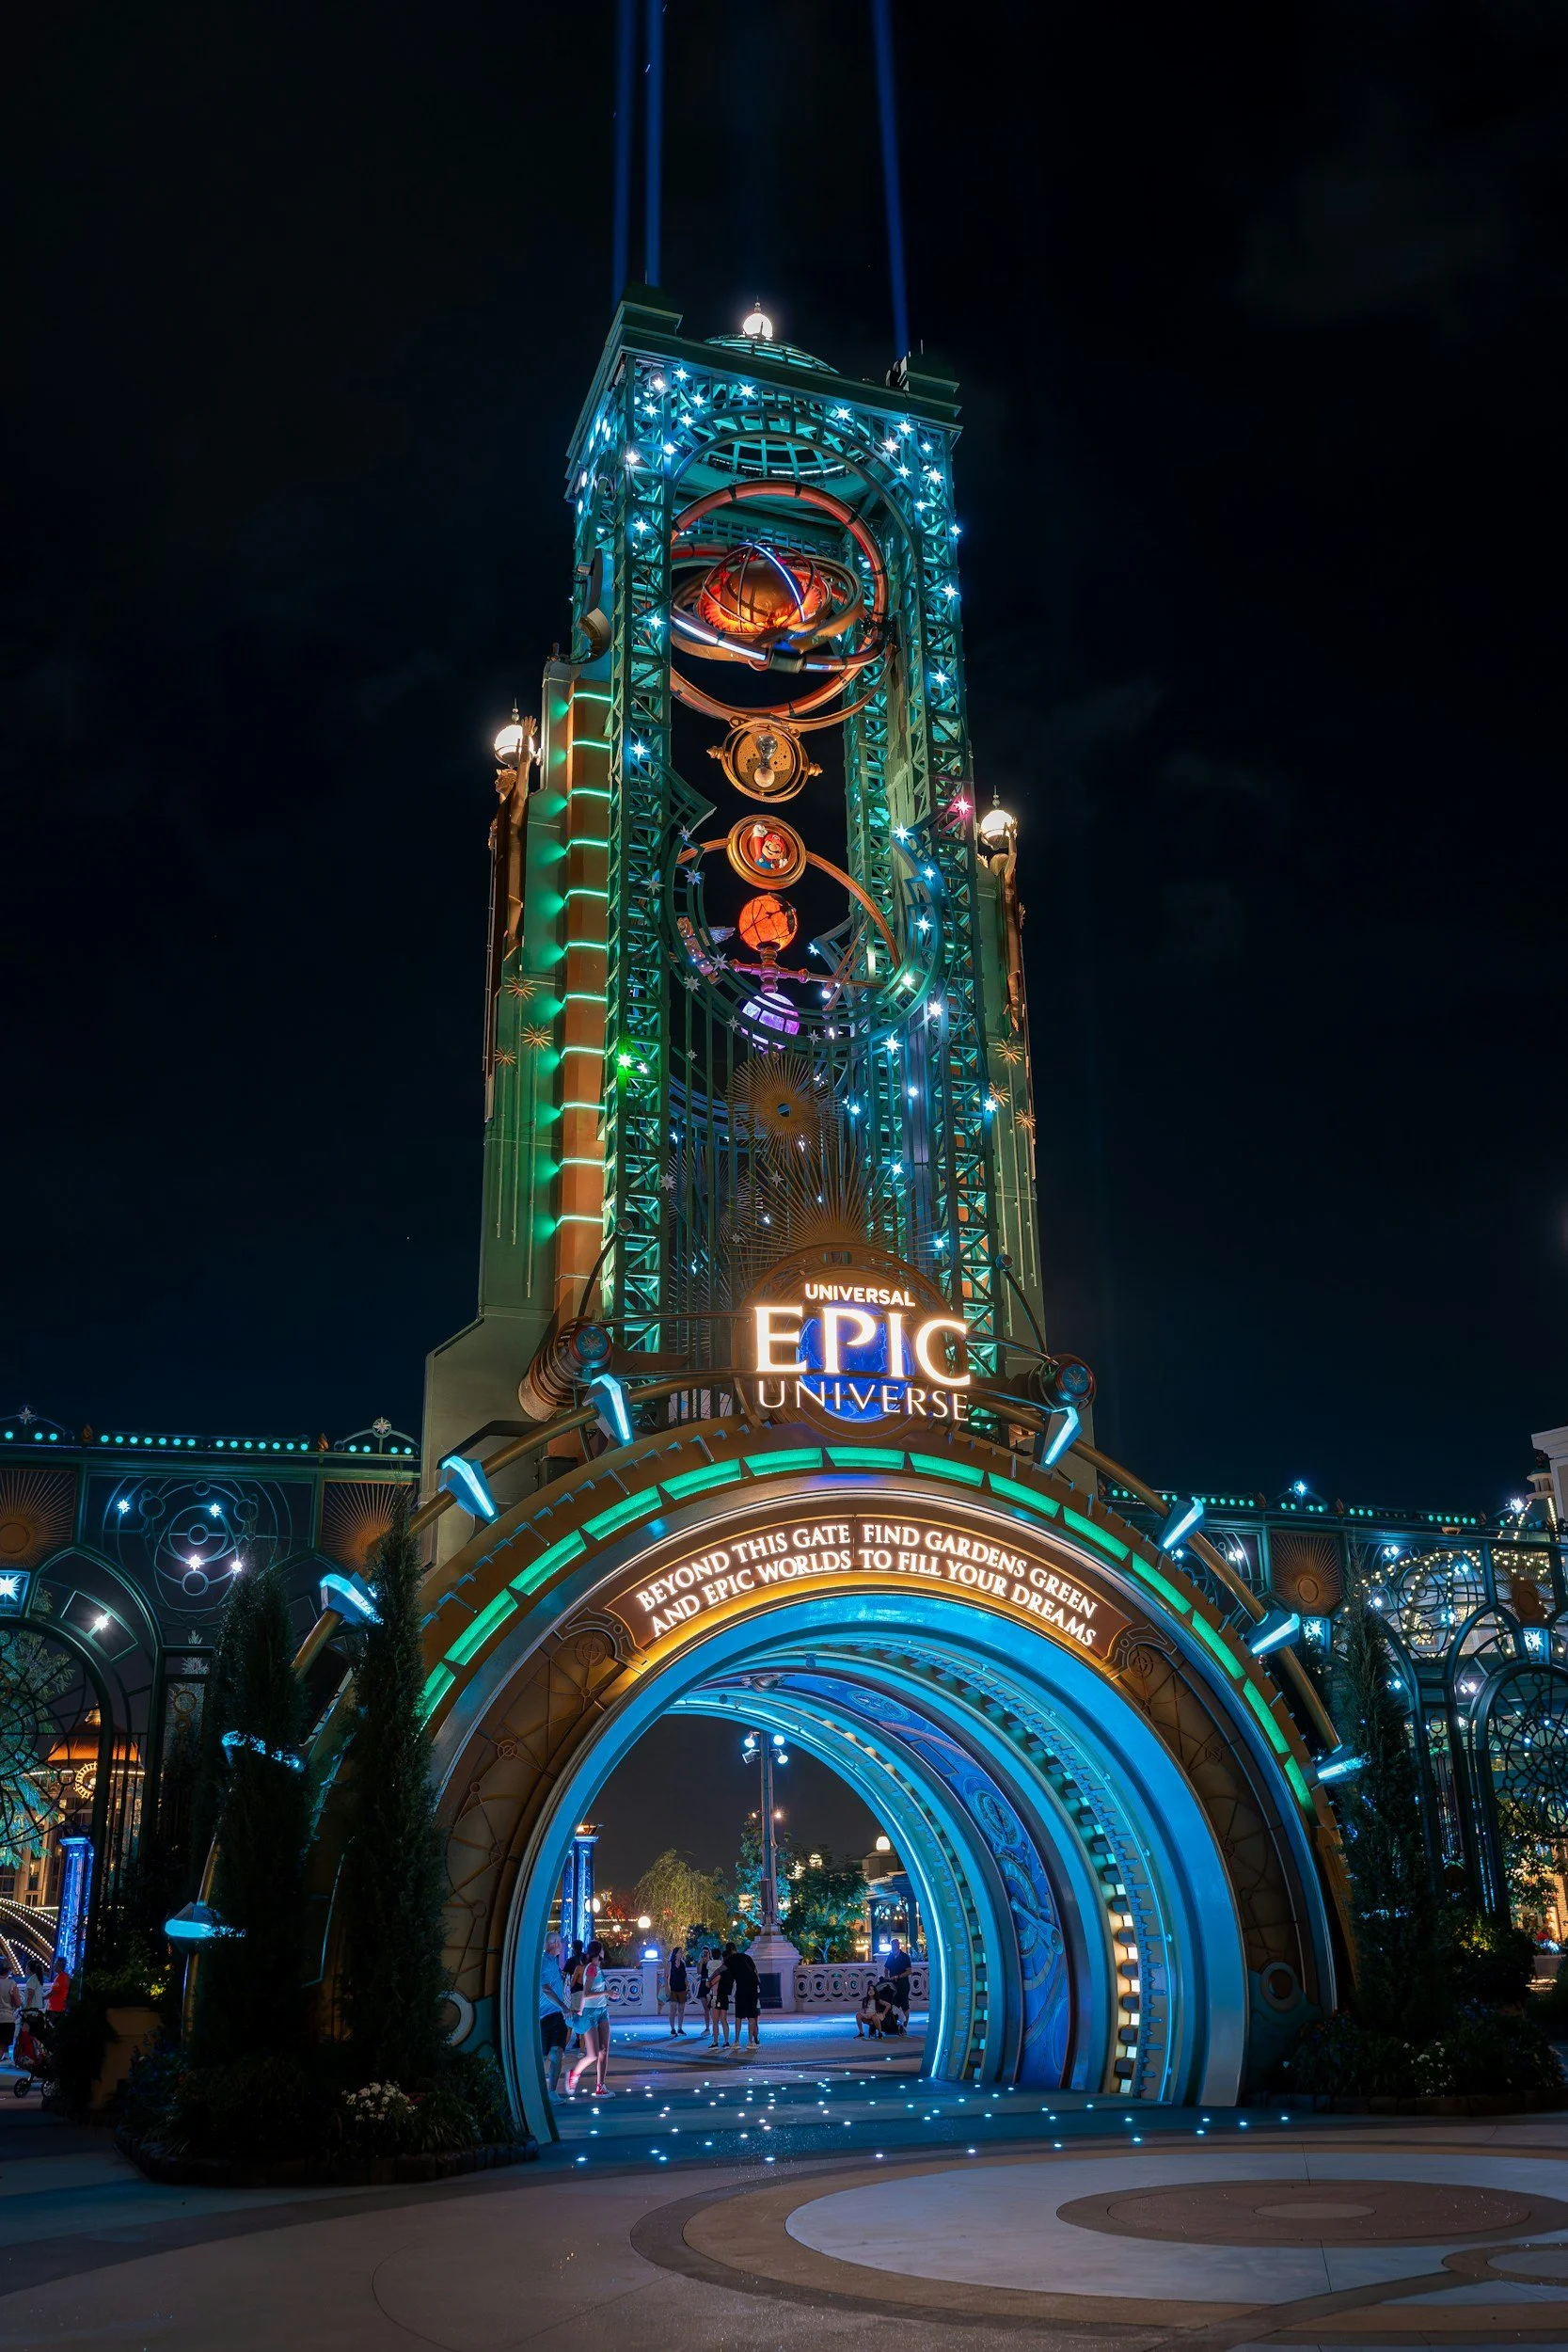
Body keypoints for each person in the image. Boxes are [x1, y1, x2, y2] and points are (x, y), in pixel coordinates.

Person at [564, 1938, 612, 2098]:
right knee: (592, 2054)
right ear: (598, 1953)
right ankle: (574, 2074)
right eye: (603, 1950)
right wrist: (607, 1993)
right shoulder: (591, 1968)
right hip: (591, 2013)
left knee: (604, 2051)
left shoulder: (598, 1969)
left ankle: (600, 2087)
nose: (604, 1953)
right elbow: (586, 1993)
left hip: (602, 2011)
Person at [538, 1930, 571, 2095]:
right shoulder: (545, 1962)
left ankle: (550, 2092)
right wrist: (563, 2006)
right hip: (549, 2014)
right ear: (554, 1944)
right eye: (560, 1942)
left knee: (554, 2052)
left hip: (552, 2015)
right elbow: (545, 1988)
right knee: (549, 2054)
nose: (562, 1946)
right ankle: (546, 2092)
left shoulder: (551, 1962)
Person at [729, 1941, 761, 2048]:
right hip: (752, 1990)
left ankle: (737, 2041)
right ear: (735, 1949)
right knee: (751, 2016)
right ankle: (750, 2041)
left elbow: (726, 1975)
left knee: (738, 2016)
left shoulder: (730, 1960)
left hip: (741, 1990)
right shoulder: (747, 1957)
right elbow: (755, 1971)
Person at [709, 1947, 733, 2050]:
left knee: (715, 2020)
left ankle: (715, 2042)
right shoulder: (730, 1970)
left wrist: (709, 1982)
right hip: (725, 1997)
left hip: (716, 1996)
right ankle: (726, 2041)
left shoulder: (721, 1970)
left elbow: (713, 1982)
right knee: (724, 2020)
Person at [885, 1940, 911, 2027]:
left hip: (903, 1984)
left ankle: (904, 2026)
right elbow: (886, 1968)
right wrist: (887, 1978)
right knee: (893, 2005)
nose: (893, 1946)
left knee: (905, 2006)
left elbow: (909, 1971)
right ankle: (894, 2025)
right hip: (893, 1985)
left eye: (895, 1945)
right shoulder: (890, 1956)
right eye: (892, 1945)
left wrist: (897, 1977)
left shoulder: (905, 1957)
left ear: (898, 1945)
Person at [667, 1944, 689, 2037]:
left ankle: (680, 2028)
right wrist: (667, 1989)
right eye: (680, 1952)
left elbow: (685, 1977)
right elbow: (666, 1976)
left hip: (682, 1988)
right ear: (675, 1954)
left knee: (681, 2009)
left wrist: (688, 1988)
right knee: (673, 2009)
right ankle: (672, 2029)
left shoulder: (683, 1964)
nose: (681, 1954)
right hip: (673, 1989)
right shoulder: (670, 1964)